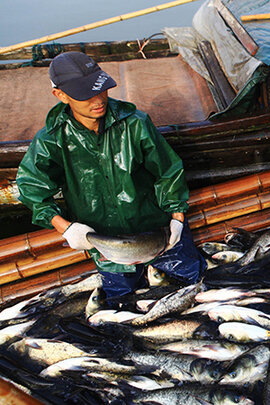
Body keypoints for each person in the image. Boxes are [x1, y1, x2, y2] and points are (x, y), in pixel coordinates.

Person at [17, 52, 206, 306]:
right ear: (60, 95)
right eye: (86, 94)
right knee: (121, 304)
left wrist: (177, 218)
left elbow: (168, 172)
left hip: (157, 232)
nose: (98, 100)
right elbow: (31, 188)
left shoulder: (135, 123)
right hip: (106, 243)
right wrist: (66, 227)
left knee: (192, 289)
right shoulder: (51, 139)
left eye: (101, 89)